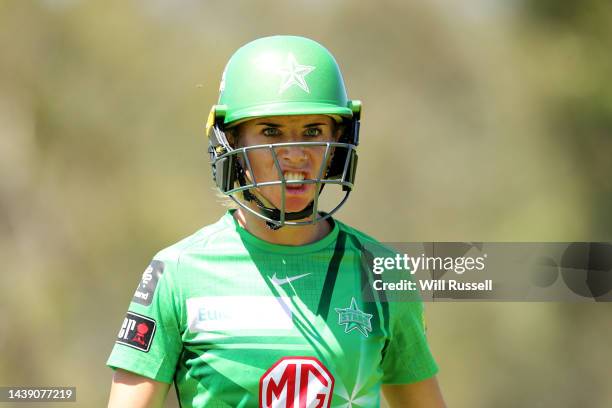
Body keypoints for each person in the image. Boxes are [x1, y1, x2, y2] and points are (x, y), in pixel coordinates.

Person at [107, 35, 446, 408]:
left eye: (313, 132)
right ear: (231, 142)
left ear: (339, 142)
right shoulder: (176, 274)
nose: (295, 154)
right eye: (271, 132)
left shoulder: (384, 275)